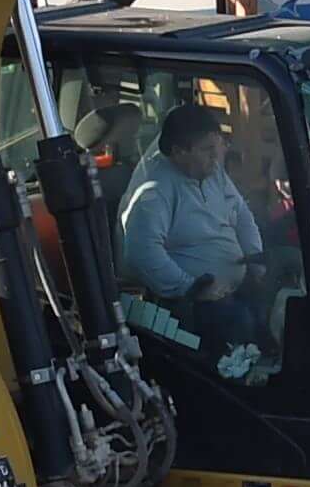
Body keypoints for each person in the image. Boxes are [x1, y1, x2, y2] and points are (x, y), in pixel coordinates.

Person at [116, 99, 276, 353]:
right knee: (242, 330)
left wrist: (255, 258)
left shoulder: (212, 172)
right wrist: (191, 287)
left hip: (237, 286)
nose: (217, 157)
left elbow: (242, 215)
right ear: (179, 152)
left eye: (218, 147)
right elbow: (141, 252)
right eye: (207, 150)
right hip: (193, 305)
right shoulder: (155, 192)